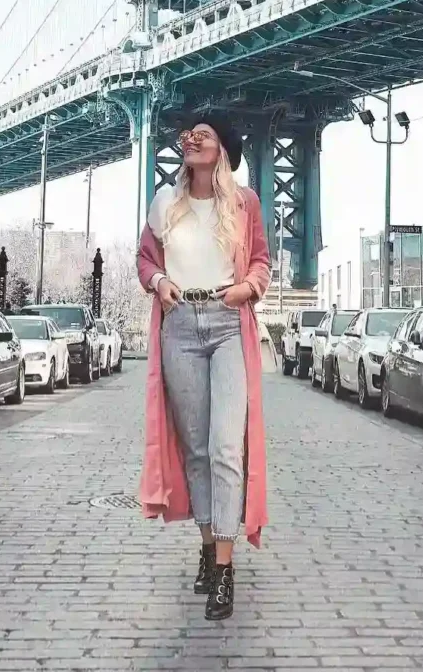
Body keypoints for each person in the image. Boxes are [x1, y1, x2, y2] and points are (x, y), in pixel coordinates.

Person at [137, 112, 271, 621]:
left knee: (225, 447)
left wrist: (248, 289)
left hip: (226, 322)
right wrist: (158, 284)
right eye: (191, 136)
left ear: (223, 151)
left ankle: (225, 568)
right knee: (195, 448)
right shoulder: (164, 203)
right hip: (179, 324)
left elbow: (261, 261)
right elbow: (145, 259)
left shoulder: (245, 203)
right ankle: (206, 545)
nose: (194, 141)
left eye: (206, 135)